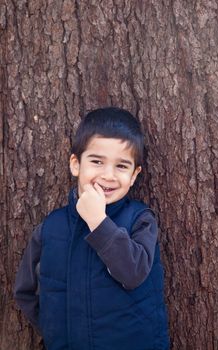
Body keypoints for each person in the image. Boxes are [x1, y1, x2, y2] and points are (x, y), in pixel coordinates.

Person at [14, 107, 170, 350]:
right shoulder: (51, 228)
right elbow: (25, 291)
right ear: (76, 164)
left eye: (121, 166)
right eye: (97, 161)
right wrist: (57, 329)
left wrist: (99, 222)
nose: (108, 175)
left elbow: (133, 273)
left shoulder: (139, 219)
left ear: (134, 175)